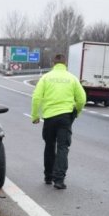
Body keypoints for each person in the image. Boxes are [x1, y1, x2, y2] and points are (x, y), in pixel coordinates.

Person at [31, 54, 86, 190]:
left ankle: (48, 176)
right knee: (63, 147)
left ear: (53, 63)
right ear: (65, 64)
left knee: (49, 145)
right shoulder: (72, 78)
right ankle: (59, 180)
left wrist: (35, 115)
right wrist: (77, 112)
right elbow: (82, 99)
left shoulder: (46, 78)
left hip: (49, 117)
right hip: (65, 117)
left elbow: (36, 97)